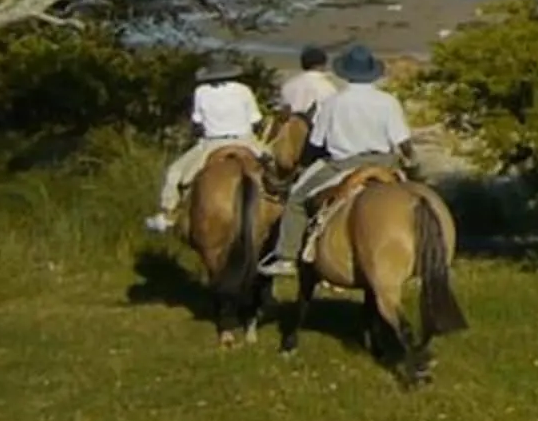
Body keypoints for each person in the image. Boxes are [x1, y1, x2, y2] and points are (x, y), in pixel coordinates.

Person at [261, 41, 416, 276]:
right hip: (384, 162)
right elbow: (403, 141)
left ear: (346, 73)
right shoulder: (388, 101)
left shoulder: (333, 102)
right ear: (372, 73)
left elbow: (316, 142)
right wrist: (411, 159)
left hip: (342, 164)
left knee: (296, 198)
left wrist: (305, 164)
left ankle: (287, 256)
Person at [147, 62, 266, 233]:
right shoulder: (244, 90)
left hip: (212, 143)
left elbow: (197, 123)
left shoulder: (201, 92)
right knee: (277, 170)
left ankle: (168, 214)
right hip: (245, 141)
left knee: (174, 173)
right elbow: (256, 120)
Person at [277, 44, 340, 128]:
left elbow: (283, 112)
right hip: (315, 130)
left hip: (291, 131)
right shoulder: (328, 87)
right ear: (323, 64)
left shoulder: (288, 85)